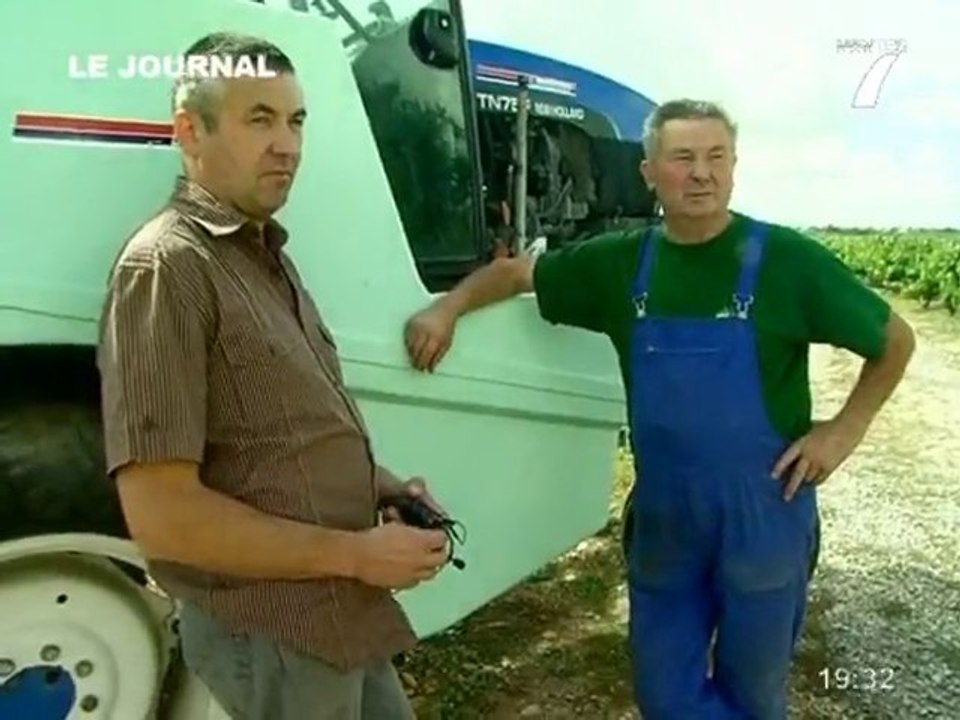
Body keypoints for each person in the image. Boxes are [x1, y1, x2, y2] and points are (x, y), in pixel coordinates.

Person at [402, 99, 916, 718]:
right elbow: (516, 275)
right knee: (662, 695)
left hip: (765, 513)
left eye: (716, 157)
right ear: (649, 172)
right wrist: (447, 309)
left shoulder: (787, 260)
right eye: (682, 158)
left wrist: (842, 430)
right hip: (668, 515)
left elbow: (894, 340)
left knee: (754, 693)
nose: (701, 173)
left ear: (733, 168)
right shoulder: (621, 264)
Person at [96, 32, 450, 720]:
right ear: (188, 132)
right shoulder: (167, 268)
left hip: (340, 613)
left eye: (295, 122)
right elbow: (163, 517)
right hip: (275, 629)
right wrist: (354, 554)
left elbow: (277, 442)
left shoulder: (263, 255)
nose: (287, 144)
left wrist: (383, 490)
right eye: (259, 119)